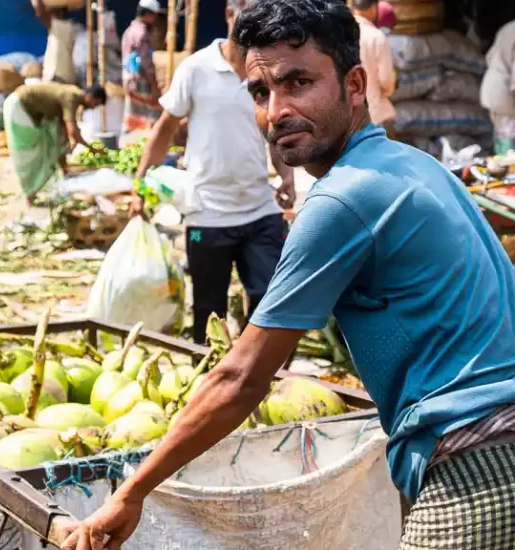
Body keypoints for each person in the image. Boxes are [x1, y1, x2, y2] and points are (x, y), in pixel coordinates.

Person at [60, 1, 515, 549]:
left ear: (354, 84)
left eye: (299, 82)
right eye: (260, 92)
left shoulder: (343, 199)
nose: (277, 110)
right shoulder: (412, 163)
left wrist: (130, 492)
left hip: (481, 469)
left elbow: (242, 378)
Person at [130, 0, 295, 345]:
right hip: (208, 214)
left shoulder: (265, 72)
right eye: (245, 15)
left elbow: (275, 131)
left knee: (270, 299)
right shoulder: (196, 68)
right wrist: (140, 183)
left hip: (260, 209)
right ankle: (206, 381)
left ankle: (254, 377)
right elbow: (164, 129)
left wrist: (288, 176)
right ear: (229, 14)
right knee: (208, 311)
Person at [3, 83, 106, 202]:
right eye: (96, 103)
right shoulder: (71, 97)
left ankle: (60, 176)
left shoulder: (74, 94)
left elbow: (66, 124)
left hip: (26, 109)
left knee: (55, 143)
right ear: (90, 96)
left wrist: (67, 141)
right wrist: (91, 148)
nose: (93, 107)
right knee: (29, 153)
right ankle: (29, 193)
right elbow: (73, 131)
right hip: (20, 107)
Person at [352, 0, 397, 136]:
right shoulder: (377, 37)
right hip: (373, 115)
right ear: (373, 8)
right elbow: (386, 81)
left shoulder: (338, 34)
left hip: (345, 118)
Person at [121, 0, 163, 134]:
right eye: (154, 15)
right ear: (147, 14)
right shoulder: (142, 33)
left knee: (134, 116)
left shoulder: (129, 30)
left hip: (129, 80)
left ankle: (131, 143)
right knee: (150, 117)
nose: (155, 19)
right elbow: (146, 64)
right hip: (141, 81)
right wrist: (154, 86)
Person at [480, 19, 515, 155]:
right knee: (509, 149)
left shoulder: (510, 27)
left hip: (494, 87)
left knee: (504, 140)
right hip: (505, 93)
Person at [32, 0, 76, 85]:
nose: (48, 11)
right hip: (65, 76)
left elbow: (40, 13)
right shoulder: (70, 26)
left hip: (56, 77)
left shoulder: (59, 25)